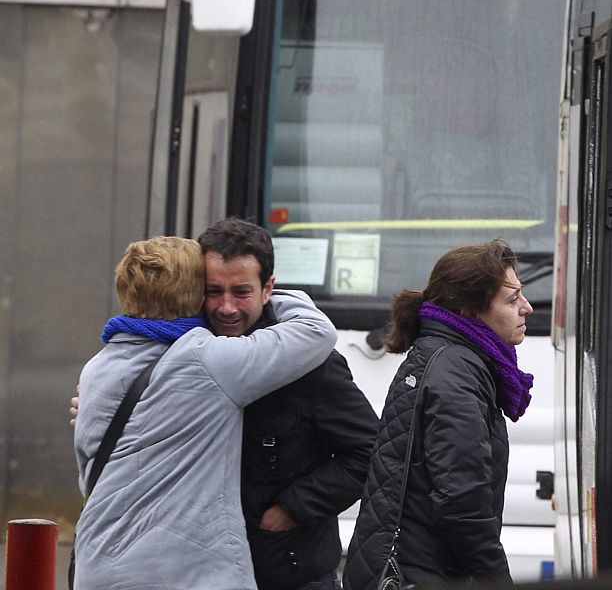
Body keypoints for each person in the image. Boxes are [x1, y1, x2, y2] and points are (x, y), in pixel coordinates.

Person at [72, 236, 337, 590]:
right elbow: (316, 332)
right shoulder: (206, 360)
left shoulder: (97, 367)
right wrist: (266, 292)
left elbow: (87, 475)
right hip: (184, 574)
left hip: (99, 567)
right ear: (197, 295)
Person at [198, 218, 379, 590]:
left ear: (269, 289)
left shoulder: (310, 365)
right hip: (202, 572)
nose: (226, 307)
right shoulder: (182, 355)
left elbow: (370, 451)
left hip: (292, 574)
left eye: (241, 292)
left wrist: (291, 510)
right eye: (213, 291)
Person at [343, 239, 534, 590]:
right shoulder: (456, 372)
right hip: (420, 576)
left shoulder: (451, 358)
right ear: (470, 311)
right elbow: (463, 503)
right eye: (512, 299)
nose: (527, 307)